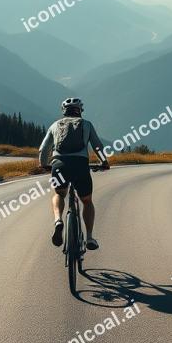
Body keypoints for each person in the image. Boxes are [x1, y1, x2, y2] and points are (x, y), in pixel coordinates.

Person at [39, 97, 109, 250]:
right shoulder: (87, 125)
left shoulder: (55, 125)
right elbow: (97, 146)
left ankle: (58, 221)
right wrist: (104, 162)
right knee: (87, 201)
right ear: (80, 111)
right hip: (80, 166)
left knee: (59, 194)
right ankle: (89, 237)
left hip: (59, 166)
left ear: (64, 111)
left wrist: (44, 164)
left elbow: (44, 149)